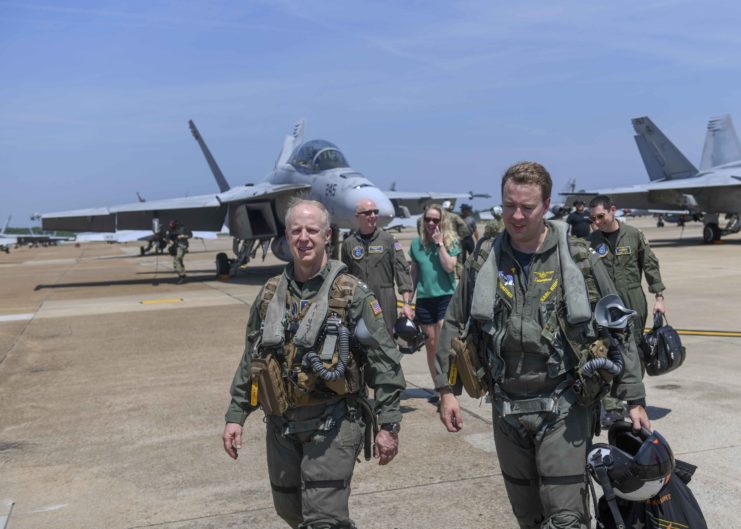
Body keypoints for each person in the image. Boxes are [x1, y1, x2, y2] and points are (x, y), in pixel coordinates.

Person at [435, 162, 649, 529]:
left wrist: (634, 398)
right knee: (528, 517)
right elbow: (454, 321)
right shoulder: (485, 258)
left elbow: (618, 325)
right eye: (509, 205)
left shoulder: (578, 258)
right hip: (506, 407)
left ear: (546, 204)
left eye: (527, 207)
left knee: (566, 518)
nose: (516, 216)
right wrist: (446, 390)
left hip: (564, 407)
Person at [222, 199, 405, 529]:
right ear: (287, 236)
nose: (304, 237)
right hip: (281, 425)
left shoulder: (353, 294)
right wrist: (237, 415)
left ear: (327, 235)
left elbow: (385, 362)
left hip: (334, 422)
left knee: (323, 520)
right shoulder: (269, 294)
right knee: (291, 512)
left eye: (312, 230)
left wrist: (388, 425)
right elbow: (252, 358)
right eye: (296, 230)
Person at [588, 194, 666, 427]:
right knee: (608, 353)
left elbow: (650, 264)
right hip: (604, 304)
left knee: (634, 352)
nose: (597, 222)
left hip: (632, 301)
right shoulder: (590, 241)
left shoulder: (633, 235)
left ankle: (635, 399)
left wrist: (659, 297)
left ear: (613, 210)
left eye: (601, 216)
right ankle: (612, 406)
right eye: (593, 218)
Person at [341, 199, 414, 337]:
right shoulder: (349, 244)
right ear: (358, 216)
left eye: (375, 212)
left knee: (387, 340)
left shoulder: (388, 240)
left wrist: (406, 303)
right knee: (359, 341)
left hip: (385, 299)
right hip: (359, 301)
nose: (373, 215)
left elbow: (402, 272)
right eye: (368, 213)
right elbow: (346, 277)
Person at [409, 203, 461, 388]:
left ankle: (447, 384)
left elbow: (449, 267)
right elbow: (414, 274)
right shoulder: (416, 245)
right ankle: (439, 387)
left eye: (435, 220)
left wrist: (439, 243)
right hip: (424, 299)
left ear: (442, 221)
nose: (431, 223)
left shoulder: (451, 241)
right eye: (427, 219)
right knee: (431, 344)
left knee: (443, 342)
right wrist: (408, 301)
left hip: (445, 297)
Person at [166, 219, 192, 284]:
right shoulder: (170, 230)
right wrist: (169, 241)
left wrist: (183, 236)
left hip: (182, 245)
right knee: (177, 263)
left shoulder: (183, 228)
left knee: (178, 259)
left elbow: (190, 235)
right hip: (175, 246)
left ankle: (182, 277)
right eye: (170, 225)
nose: (171, 226)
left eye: (172, 225)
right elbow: (168, 238)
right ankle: (182, 274)